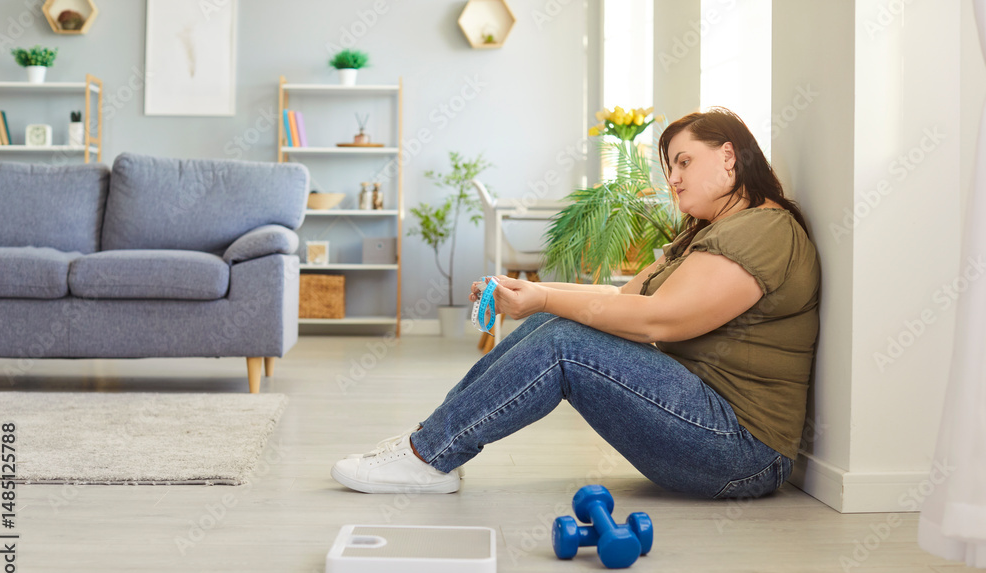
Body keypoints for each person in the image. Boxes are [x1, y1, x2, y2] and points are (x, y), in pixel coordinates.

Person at [331, 107, 820, 499]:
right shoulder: (714, 232)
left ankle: (428, 456)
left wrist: (545, 296)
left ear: (729, 156)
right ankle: (431, 444)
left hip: (742, 452)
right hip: (703, 421)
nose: (673, 178)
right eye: (670, 166)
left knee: (565, 342)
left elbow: (658, 321)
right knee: (551, 322)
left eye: (684, 161)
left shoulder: (763, 230)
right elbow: (621, 297)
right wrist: (529, 294)